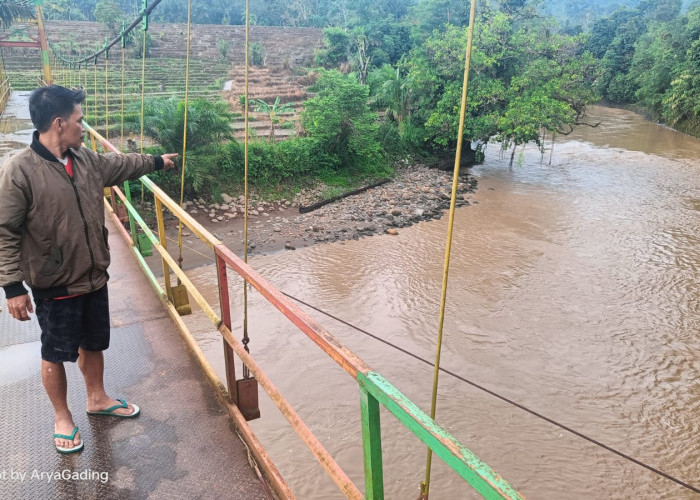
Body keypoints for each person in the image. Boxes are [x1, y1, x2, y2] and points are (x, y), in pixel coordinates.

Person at [0, 85, 177, 454]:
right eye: (80, 121)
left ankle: (97, 399)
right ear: (59, 123)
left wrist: (157, 161)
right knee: (55, 351)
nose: (85, 127)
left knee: (94, 343)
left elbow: (121, 165)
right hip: (54, 281)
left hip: (94, 274)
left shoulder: (84, 159)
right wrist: (12, 286)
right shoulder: (20, 171)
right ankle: (62, 417)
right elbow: (5, 230)